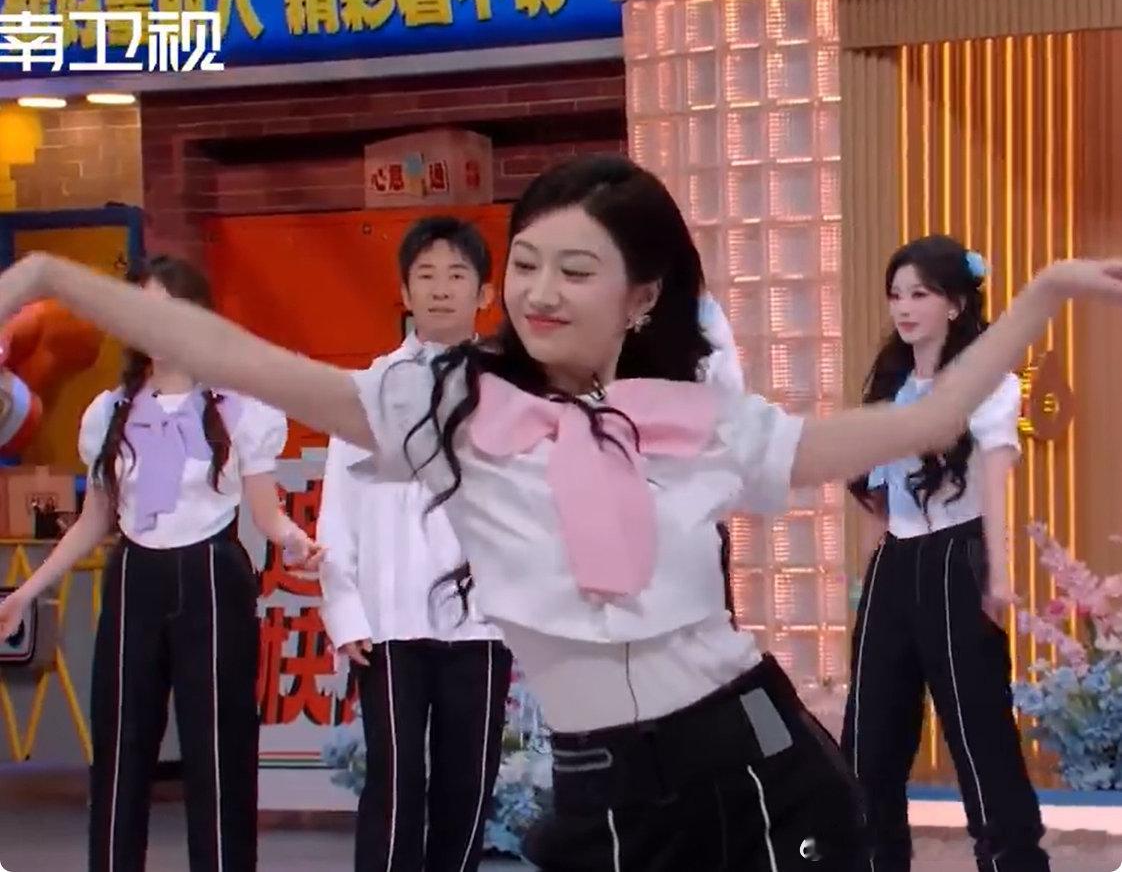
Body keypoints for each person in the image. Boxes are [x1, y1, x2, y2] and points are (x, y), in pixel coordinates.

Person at [0, 156, 1119, 870]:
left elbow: (933, 423)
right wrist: (52, 272)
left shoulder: (700, 421)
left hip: (756, 756)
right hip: (597, 781)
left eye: (576, 270)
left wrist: (1048, 291)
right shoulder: (445, 406)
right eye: (527, 262)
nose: (540, 291)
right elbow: (236, 354)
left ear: (642, 296)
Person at [0, 256, 322, 872]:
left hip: (212, 576)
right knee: (121, 744)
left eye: (172, 310)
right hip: (135, 577)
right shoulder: (108, 412)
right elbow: (96, 519)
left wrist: (294, 541)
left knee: (219, 747)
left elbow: (266, 513)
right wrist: (27, 591)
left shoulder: (239, 408)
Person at [841, 236, 1049, 872]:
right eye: (896, 295)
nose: (904, 308)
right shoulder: (891, 385)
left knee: (979, 736)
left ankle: (1010, 860)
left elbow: (996, 486)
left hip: (958, 560)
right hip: (895, 566)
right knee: (867, 745)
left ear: (956, 304)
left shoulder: (990, 385)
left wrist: (1000, 578)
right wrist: (866, 579)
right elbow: (877, 496)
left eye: (920, 294)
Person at [317, 216, 513, 872]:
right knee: (395, 782)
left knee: (469, 783)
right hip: (389, 619)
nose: (441, 288)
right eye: (425, 275)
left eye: (457, 275)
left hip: (482, 620)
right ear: (404, 292)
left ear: (484, 294)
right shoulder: (364, 392)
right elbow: (337, 510)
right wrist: (345, 610)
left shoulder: (510, 393)